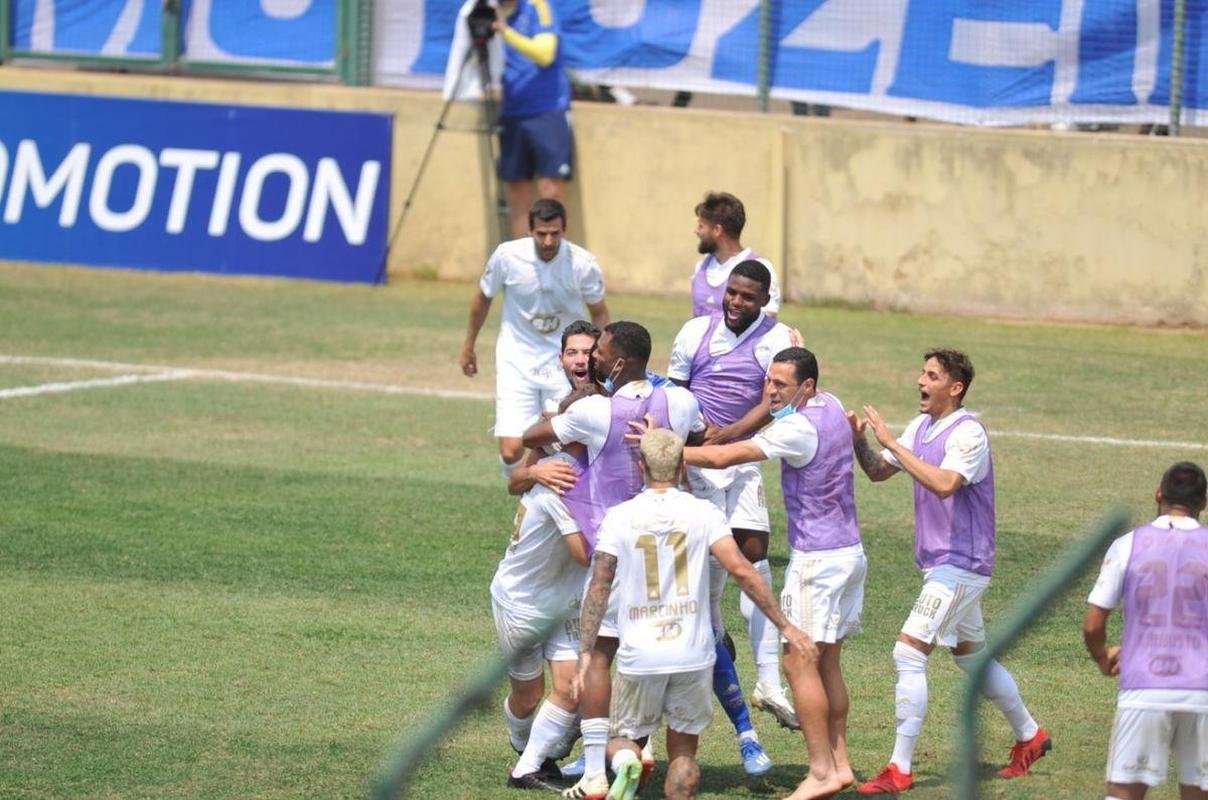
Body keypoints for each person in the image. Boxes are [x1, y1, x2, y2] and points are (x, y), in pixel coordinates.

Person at [572, 428, 817, 800]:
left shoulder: (620, 517)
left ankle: (625, 761)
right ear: (682, 467)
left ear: (641, 466)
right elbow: (742, 570)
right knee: (684, 754)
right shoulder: (705, 513)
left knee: (622, 739)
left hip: (641, 654)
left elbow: (600, 585)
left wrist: (585, 651)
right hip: (693, 654)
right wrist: (786, 626)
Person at [849, 349, 1050, 794]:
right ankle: (1031, 735)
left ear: (955, 388)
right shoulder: (921, 426)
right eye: (922, 373)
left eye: (932, 375)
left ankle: (899, 769)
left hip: (962, 564)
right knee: (971, 657)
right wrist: (858, 441)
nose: (920, 381)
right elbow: (879, 472)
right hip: (942, 565)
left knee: (907, 653)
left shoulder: (968, 433)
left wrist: (893, 443)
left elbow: (944, 484)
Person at [521, 321, 705, 799]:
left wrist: (566, 419)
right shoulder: (680, 402)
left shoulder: (594, 411)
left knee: (600, 656)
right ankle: (646, 752)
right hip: (668, 561)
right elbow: (702, 439)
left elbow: (530, 435)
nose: (591, 359)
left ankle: (595, 771)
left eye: (599, 352)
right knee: (656, 654)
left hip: (614, 555)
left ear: (618, 363)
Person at [682, 346, 864, 798]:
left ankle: (820, 772)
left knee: (797, 661)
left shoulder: (796, 428)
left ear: (807, 386)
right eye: (768, 380)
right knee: (828, 663)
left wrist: (668, 451)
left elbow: (724, 458)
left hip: (816, 563)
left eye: (781, 384)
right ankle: (840, 765)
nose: (770, 392)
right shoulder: (831, 403)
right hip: (850, 555)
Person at [668, 259, 798, 730]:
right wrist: (688, 443)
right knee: (704, 568)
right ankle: (715, 638)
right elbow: (675, 395)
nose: (737, 302)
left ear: (765, 300)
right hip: (698, 465)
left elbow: (774, 402)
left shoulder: (776, 340)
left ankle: (769, 682)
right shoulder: (695, 332)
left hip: (741, 460)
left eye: (748, 297)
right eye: (732, 293)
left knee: (754, 554)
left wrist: (728, 436)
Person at [1083, 461, 1208, 800]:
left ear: (1158, 494)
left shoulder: (1128, 544)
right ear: (1203, 502)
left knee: (1123, 794)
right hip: (1203, 690)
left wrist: (1103, 658)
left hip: (1144, 686)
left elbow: (1093, 625)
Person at [460, 199, 609, 478]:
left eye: (555, 233)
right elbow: (483, 298)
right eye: (541, 233)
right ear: (530, 230)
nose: (548, 240)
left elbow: (599, 312)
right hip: (516, 358)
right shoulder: (507, 256)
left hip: (566, 363)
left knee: (563, 441)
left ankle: (548, 496)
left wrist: (605, 361)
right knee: (511, 450)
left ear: (565, 230)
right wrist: (469, 345)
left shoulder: (583, 263)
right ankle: (520, 487)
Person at [490, 445, 591, 791]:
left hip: (565, 600)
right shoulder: (561, 482)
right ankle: (523, 744)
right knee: (529, 696)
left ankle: (530, 764)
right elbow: (584, 555)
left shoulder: (573, 468)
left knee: (571, 688)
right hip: (522, 602)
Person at [493, 0, 574, 238]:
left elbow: (545, 55)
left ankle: (555, 259)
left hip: (547, 111)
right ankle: (522, 260)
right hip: (512, 113)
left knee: (551, 190)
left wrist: (505, 32)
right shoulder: (487, 11)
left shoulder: (538, 7)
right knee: (518, 192)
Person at [507, 319, 600, 497]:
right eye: (571, 353)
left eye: (587, 353)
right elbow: (513, 485)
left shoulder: (614, 401)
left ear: (600, 357)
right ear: (561, 359)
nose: (580, 360)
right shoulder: (559, 415)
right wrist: (534, 472)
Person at [690, 191, 781, 318]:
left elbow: (767, 321)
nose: (696, 231)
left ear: (717, 230)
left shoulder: (760, 269)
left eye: (701, 226)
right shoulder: (701, 266)